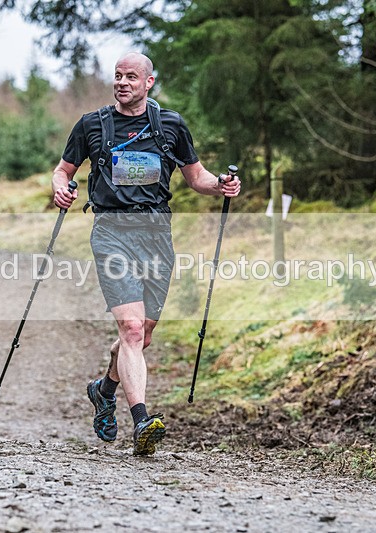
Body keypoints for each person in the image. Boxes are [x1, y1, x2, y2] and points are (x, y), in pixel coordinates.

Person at [51, 52, 240, 456]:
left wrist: (220, 183)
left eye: (131, 77)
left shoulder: (170, 125)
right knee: (132, 329)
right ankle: (142, 422)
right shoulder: (91, 124)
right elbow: (63, 169)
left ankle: (104, 390)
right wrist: (60, 187)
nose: (122, 82)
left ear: (148, 81)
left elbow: (196, 177)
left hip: (156, 236)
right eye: (117, 76)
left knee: (143, 334)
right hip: (111, 233)